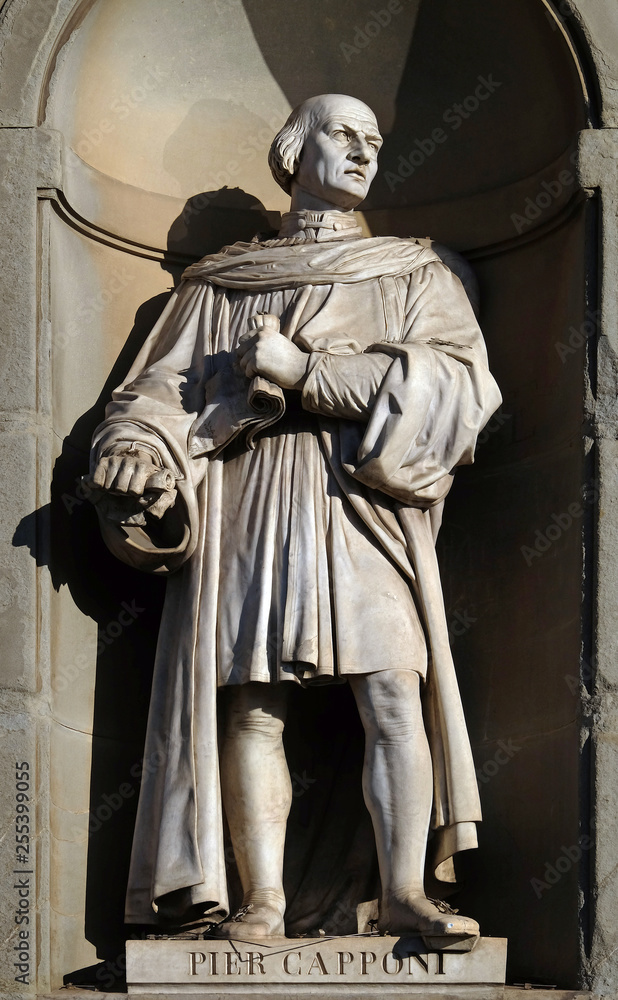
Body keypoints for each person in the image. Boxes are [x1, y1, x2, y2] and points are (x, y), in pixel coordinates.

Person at [89, 94, 502, 947]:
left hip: (362, 502)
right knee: (250, 704)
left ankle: (403, 892)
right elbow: (158, 392)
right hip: (249, 495)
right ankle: (262, 901)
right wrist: (133, 445)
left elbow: (462, 393)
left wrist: (308, 372)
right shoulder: (219, 283)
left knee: (394, 689)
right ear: (294, 150)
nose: (363, 152)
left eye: (375, 142)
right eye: (343, 135)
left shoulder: (416, 273)